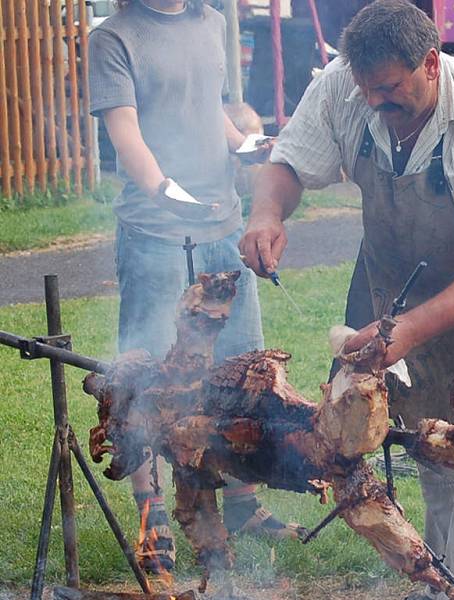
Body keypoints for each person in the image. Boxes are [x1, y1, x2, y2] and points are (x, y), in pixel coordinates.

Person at [239, 2, 454, 598]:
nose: (375, 102)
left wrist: (408, 328)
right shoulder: (346, 84)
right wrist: (266, 213)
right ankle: (443, 583)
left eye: (389, 89)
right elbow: (289, 162)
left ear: (431, 63)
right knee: (430, 447)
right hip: (403, 289)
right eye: (367, 90)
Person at [88, 0, 299, 575]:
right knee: (150, 374)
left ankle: (240, 503)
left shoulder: (210, 21)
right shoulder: (115, 38)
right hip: (156, 233)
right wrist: (166, 191)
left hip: (224, 228)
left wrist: (250, 145)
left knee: (240, 371)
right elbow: (125, 132)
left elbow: (210, 111)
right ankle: (152, 513)